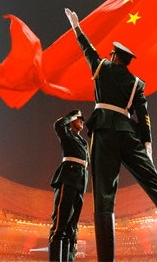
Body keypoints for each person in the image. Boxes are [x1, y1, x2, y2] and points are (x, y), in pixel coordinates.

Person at [64, 8, 157, 262]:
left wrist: (76, 27)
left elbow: (87, 50)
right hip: (129, 134)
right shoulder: (138, 83)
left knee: (104, 197)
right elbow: (143, 115)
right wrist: (147, 143)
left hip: (103, 132)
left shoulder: (102, 68)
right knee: (156, 187)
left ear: (113, 56)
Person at [48, 109, 89, 262]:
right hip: (68, 176)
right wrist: (71, 115)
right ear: (71, 121)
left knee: (72, 227)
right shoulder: (66, 134)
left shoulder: (83, 141)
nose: (82, 122)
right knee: (61, 223)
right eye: (79, 119)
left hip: (81, 179)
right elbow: (58, 125)